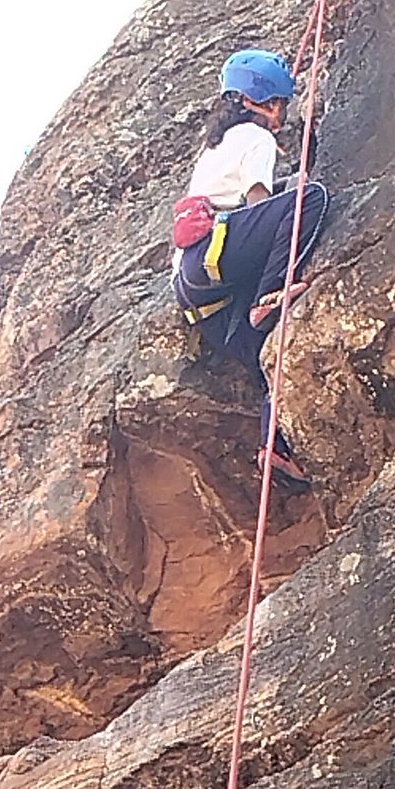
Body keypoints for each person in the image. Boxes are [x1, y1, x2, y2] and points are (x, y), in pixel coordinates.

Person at [172, 49, 329, 495]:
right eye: (280, 104)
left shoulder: (217, 146)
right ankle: (269, 294)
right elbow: (261, 202)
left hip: (200, 293)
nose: (282, 114)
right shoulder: (255, 139)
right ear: (265, 102)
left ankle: (273, 446)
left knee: (269, 356)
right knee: (308, 200)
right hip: (215, 254)